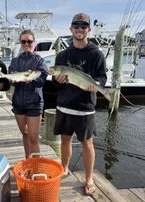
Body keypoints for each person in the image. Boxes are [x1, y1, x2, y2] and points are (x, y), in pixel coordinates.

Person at [53, 13, 107, 195]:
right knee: (65, 140)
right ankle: (64, 168)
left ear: (88, 30)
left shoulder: (96, 54)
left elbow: (102, 77)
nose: (79, 29)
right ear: (71, 29)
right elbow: (53, 82)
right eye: (76, 25)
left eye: (83, 26)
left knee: (87, 143)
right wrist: (58, 80)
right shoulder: (62, 55)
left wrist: (97, 85)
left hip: (84, 109)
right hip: (64, 106)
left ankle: (89, 177)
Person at [8, 30, 48, 158]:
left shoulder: (39, 61)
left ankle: (35, 169)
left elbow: (42, 80)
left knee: (33, 138)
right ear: (20, 43)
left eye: (29, 41)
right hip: (18, 103)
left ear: (34, 42)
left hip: (34, 103)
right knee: (25, 133)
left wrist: (33, 79)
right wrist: (13, 81)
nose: (26, 44)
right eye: (23, 41)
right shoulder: (15, 61)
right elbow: (12, 80)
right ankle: (28, 162)